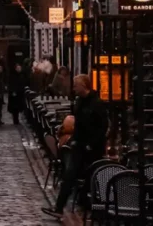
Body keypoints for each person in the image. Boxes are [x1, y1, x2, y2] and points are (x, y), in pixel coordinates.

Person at [43, 74, 109, 218]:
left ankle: (88, 208)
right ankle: (59, 208)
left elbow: (103, 127)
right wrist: (74, 139)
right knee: (69, 176)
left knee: (90, 177)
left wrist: (91, 144)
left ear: (84, 86)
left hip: (92, 148)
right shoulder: (78, 102)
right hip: (79, 146)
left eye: (75, 85)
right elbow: (77, 123)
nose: (73, 88)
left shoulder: (97, 104)